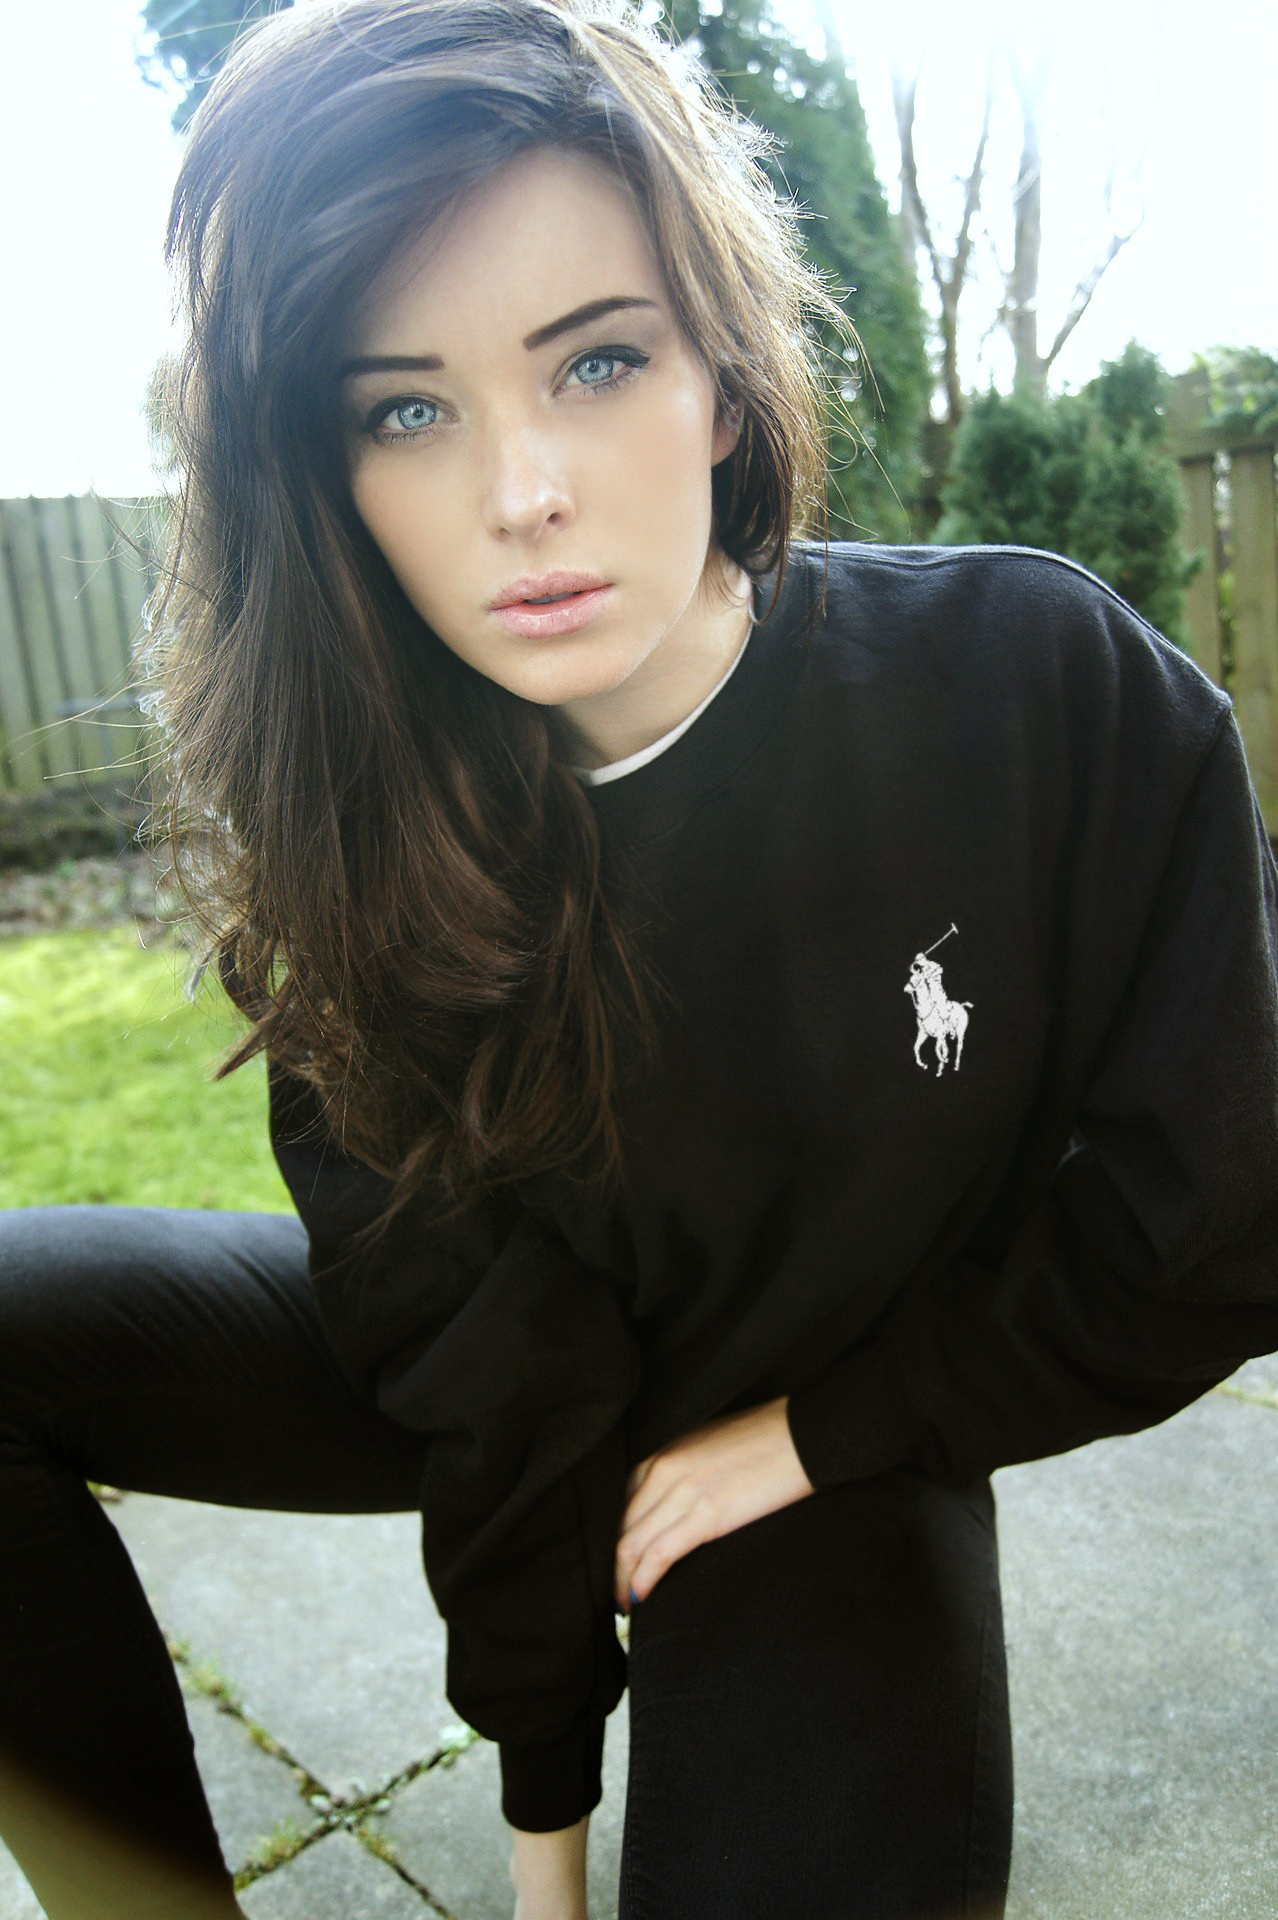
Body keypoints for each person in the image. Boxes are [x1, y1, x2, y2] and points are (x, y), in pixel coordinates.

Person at [1, 1, 1276, 1915]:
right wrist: (547, 1845)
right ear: (323, 474)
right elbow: (481, 1355)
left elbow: (1224, 1214)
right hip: (522, 1373)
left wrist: (826, 1433)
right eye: (405, 409)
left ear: (727, 382)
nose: (521, 491)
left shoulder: (1028, 698)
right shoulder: (359, 824)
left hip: (830, 1434)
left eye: (596, 361)